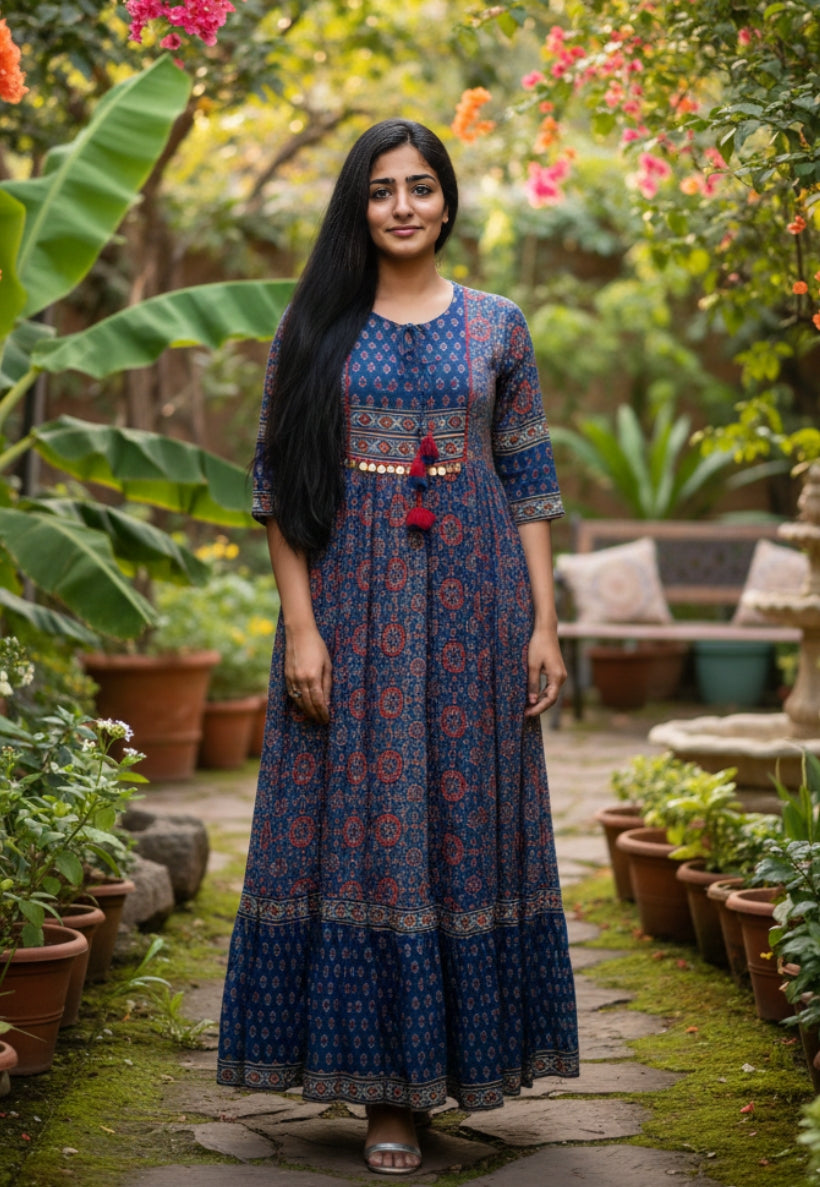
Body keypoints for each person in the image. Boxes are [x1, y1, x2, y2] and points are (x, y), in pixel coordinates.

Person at [218, 118, 579, 1176]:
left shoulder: (497, 326)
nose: (405, 206)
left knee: (457, 825)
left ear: (448, 199)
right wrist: (300, 626)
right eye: (383, 190)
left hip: (474, 609)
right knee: (366, 834)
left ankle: (451, 1070)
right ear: (359, 206)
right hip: (348, 608)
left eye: (422, 186)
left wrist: (543, 621)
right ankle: (384, 1093)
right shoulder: (316, 324)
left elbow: (529, 480)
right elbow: (277, 485)